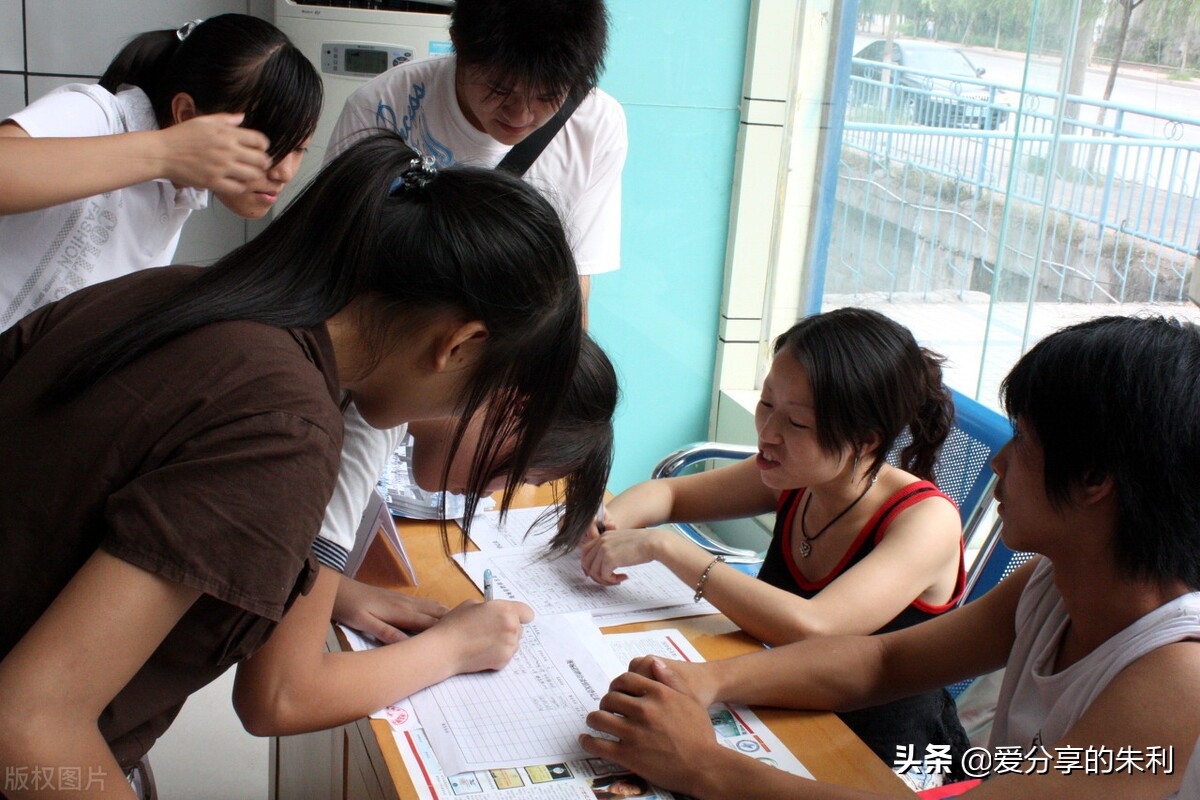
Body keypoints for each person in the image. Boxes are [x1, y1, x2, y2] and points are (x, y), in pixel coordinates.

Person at [0, 131, 593, 792]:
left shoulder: (185, 292)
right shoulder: (287, 428)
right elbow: (30, 725)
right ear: (458, 345)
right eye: (482, 388)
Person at [581, 315, 1200, 799]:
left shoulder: (1178, 675)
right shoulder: (1054, 582)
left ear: (1094, 477)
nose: (997, 462)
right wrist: (708, 680)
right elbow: (883, 660)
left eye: (1026, 440)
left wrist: (702, 766)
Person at [579, 307, 968, 786]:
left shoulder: (926, 520)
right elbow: (671, 493)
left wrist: (668, 549)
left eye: (797, 424)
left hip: (881, 755)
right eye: (766, 404)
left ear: (865, 442)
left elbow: (816, 629)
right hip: (781, 713)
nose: (767, 434)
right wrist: (607, 522)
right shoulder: (798, 476)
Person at [0, 13, 322, 330]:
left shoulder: (178, 195)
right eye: (267, 143)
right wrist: (164, 152)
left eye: (298, 148)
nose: (285, 171)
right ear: (185, 114)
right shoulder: (98, 117)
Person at [327, 0, 626, 317]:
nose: (520, 115)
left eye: (547, 95)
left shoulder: (596, 125)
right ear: (457, 44)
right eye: (500, 89)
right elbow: (336, 247)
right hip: (394, 320)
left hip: (508, 334)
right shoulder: (383, 105)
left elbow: (574, 277)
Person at [328, 334, 619, 644]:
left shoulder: (384, 412)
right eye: (519, 479)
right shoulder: (369, 422)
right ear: (514, 409)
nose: (485, 495)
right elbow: (288, 688)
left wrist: (333, 590)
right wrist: (453, 647)